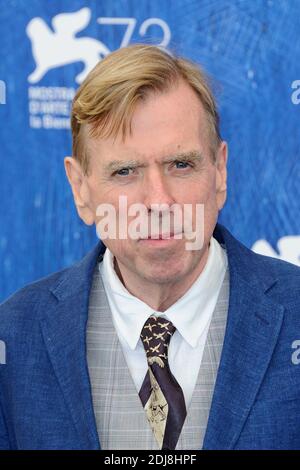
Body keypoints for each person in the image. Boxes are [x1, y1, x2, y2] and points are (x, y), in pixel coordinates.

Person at [0, 44, 300, 450]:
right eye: (125, 171)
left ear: (220, 171)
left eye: (181, 164)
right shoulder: (13, 339)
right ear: (80, 189)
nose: (158, 201)